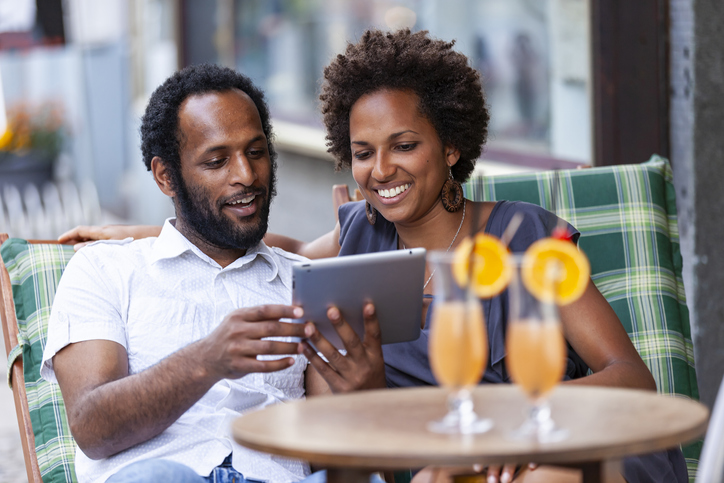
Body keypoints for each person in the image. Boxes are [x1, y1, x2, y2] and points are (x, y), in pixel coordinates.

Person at [61, 30, 688, 483]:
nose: (381, 170)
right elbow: (258, 245)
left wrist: (515, 428)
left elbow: (631, 379)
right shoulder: (356, 239)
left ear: (451, 147)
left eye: (404, 145)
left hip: (546, 447)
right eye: (363, 152)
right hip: (428, 468)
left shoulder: (527, 239)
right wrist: (150, 230)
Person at [43, 63, 386, 483]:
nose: (245, 175)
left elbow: (337, 453)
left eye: (256, 152)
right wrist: (206, 360)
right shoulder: (104, 269)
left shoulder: (307, 282)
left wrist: (364, 393)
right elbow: (92, 427)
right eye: (217, 160)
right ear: (166, 177)